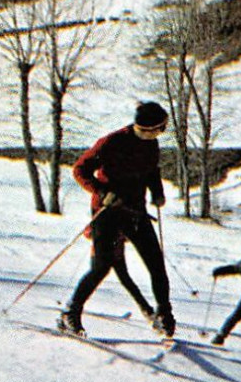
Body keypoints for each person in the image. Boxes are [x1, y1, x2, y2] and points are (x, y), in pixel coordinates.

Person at [59, 101, 176, 339]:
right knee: (101, 266)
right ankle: (70, 312)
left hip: (136, 212)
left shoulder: (151, 144)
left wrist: (157, 192)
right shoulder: (111, 142)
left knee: (156, 263)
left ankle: (164, 314)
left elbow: (152, 171)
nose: (161, 133)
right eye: (161, 128)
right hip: (108, 212)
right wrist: (102, 192)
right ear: (146, 127)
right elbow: (80, 170)